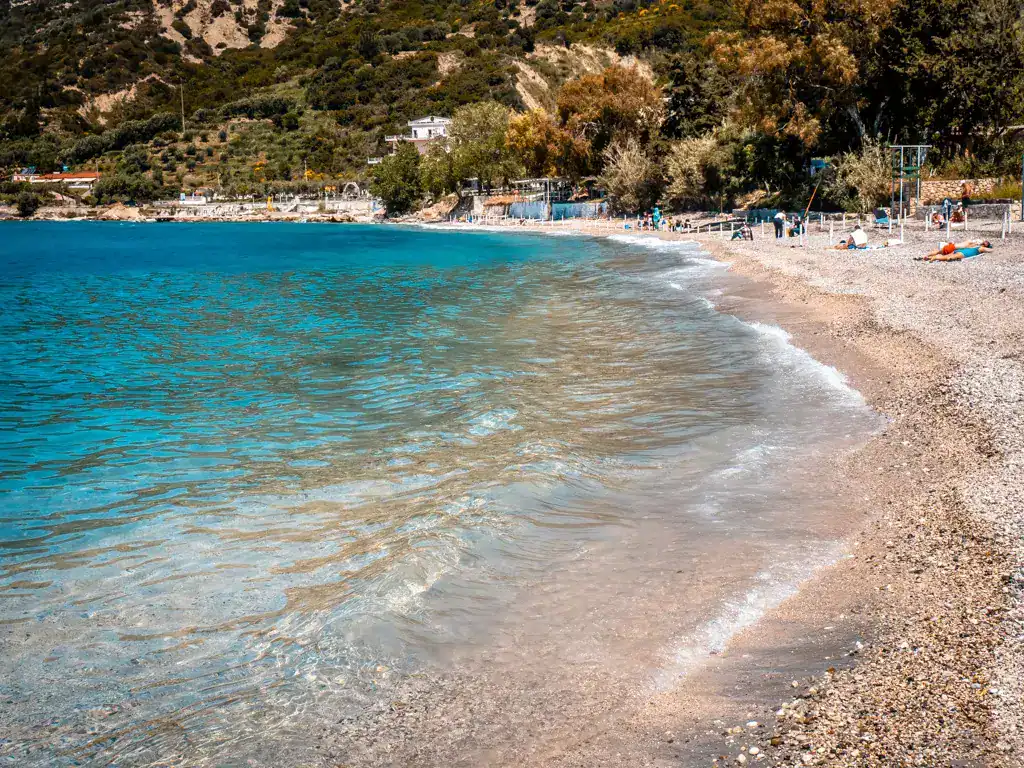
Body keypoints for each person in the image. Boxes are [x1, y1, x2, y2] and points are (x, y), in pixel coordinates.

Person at [915, 240, 993, 261]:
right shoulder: (980, 248)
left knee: (940, 252)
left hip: (955, 248)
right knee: (947, 257)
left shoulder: (972, 243)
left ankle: (927, 256)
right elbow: (990, 250)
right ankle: (935, 258)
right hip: (959, 251)